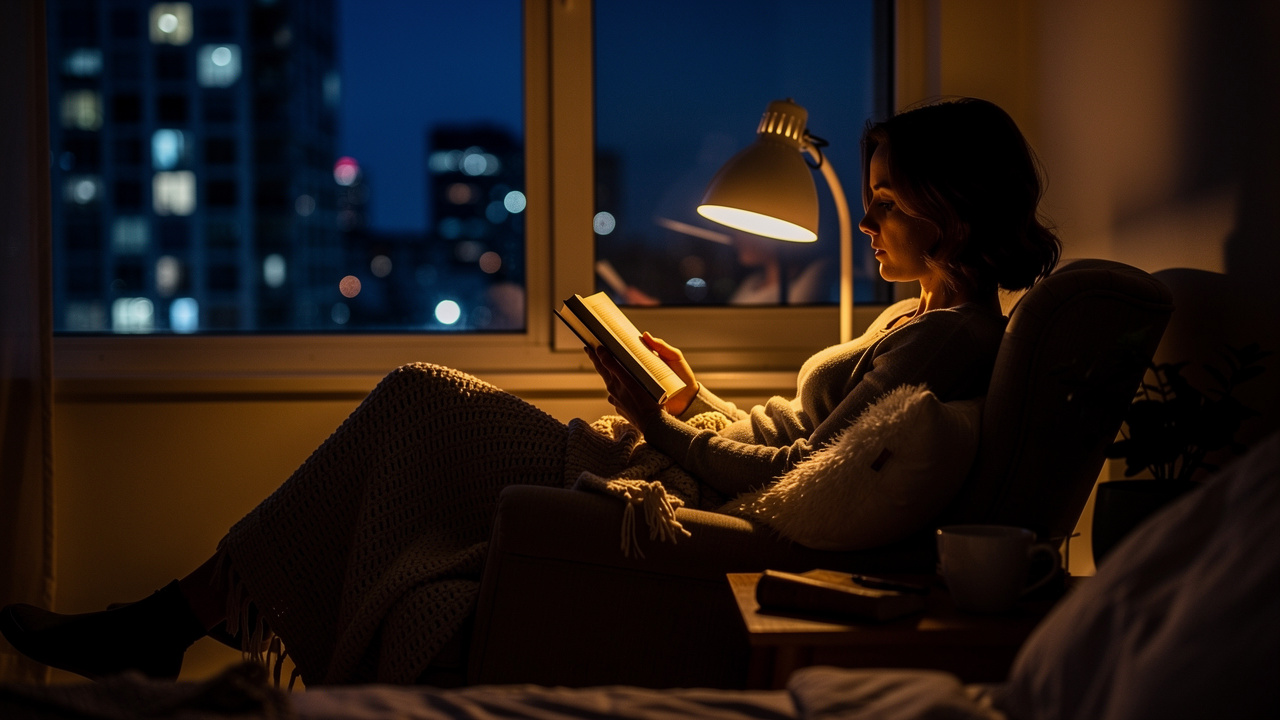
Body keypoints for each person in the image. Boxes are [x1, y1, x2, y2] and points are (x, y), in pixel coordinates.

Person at [0, 97, 1061, 686]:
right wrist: (694, 398)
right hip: (685, 461)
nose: (865, 225)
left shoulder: (954, 345)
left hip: (689, 504)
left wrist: (656, 421)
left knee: (418, 399)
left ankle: (175, 617)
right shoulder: (911, 317)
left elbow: (795, 488)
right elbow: (794, 435)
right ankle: (191, 611)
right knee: (416, 412)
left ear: (950, 212)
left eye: (882, 205)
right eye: (866, 202)